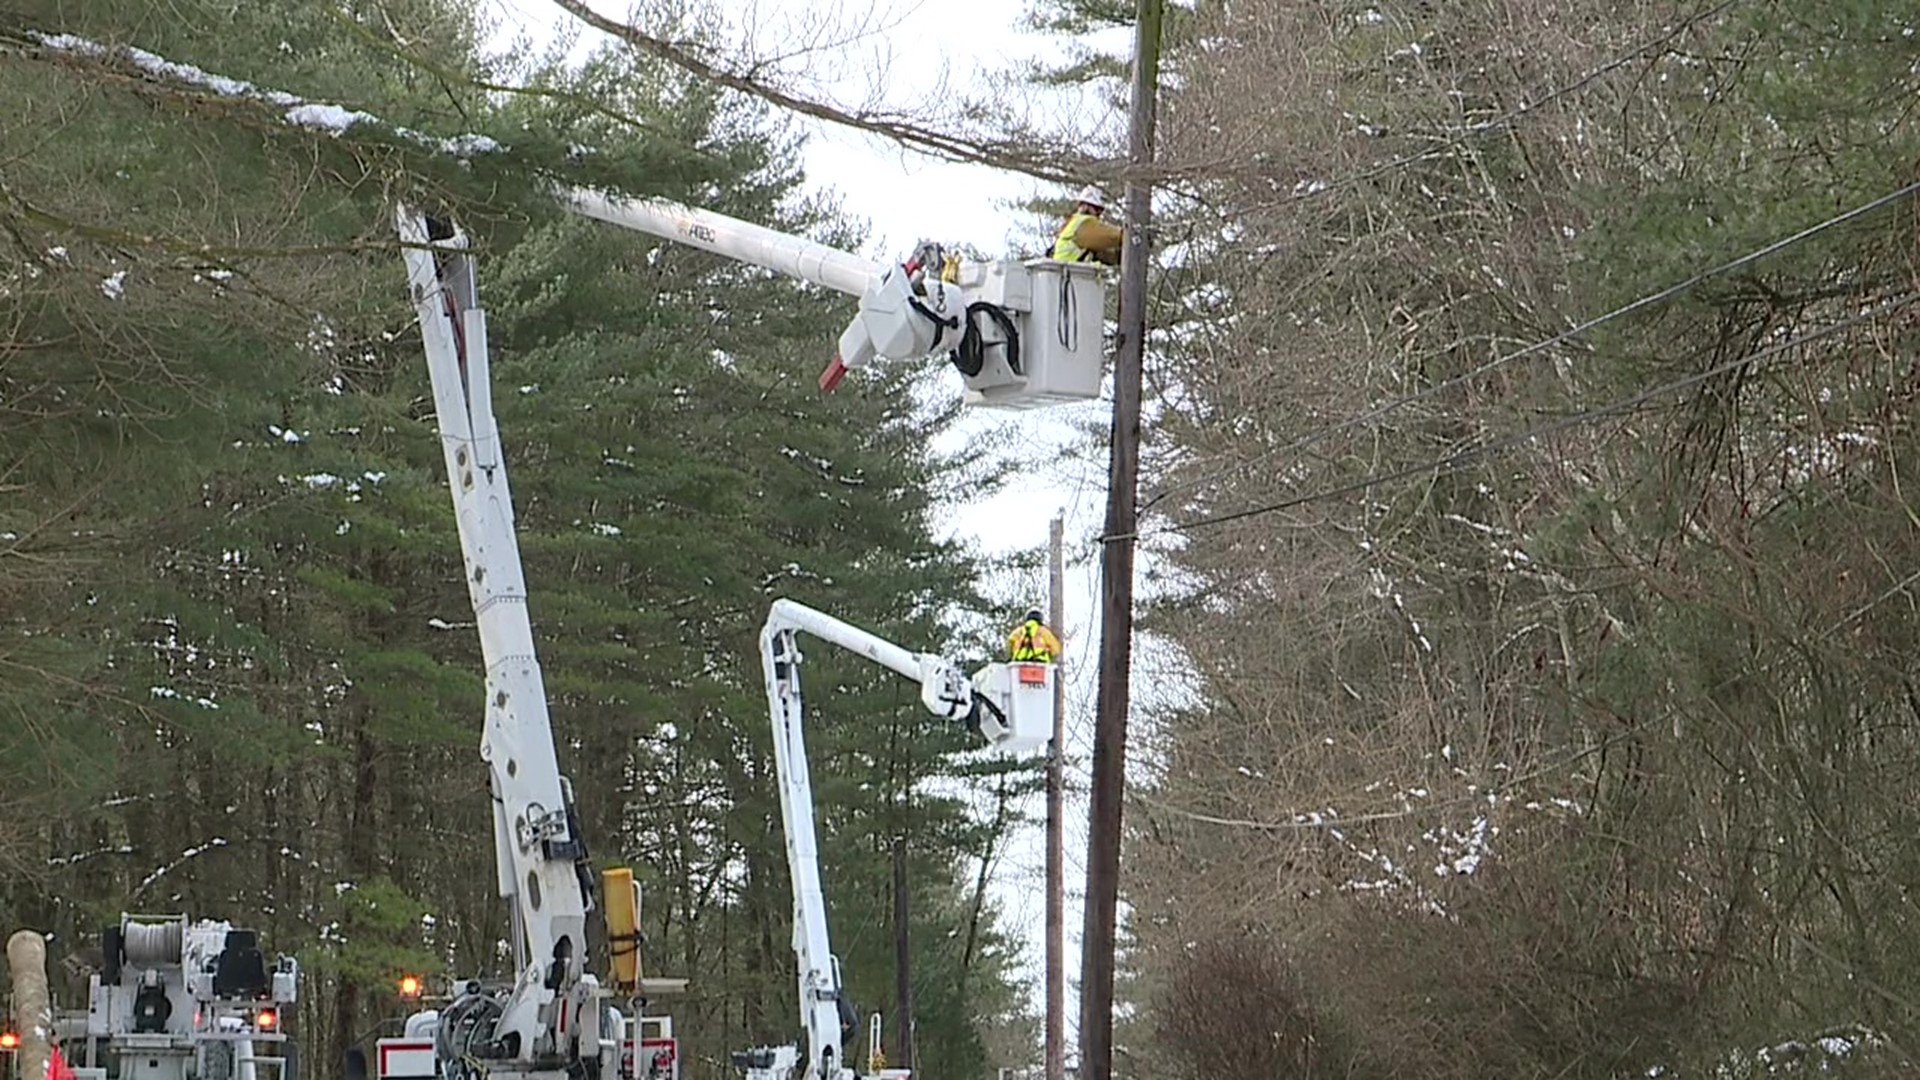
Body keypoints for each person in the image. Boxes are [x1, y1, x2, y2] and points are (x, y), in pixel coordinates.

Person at [1050, 184, 1123, 267]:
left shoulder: (1073, 224)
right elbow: (1114, 236)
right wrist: (1131, 235)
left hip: (1068, 275)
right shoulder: (1084, 224)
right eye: (1096, 209)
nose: (1098, 214)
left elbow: (1107, 255)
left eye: (1100, 211)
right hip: (1070, 275)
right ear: (1085, 206)